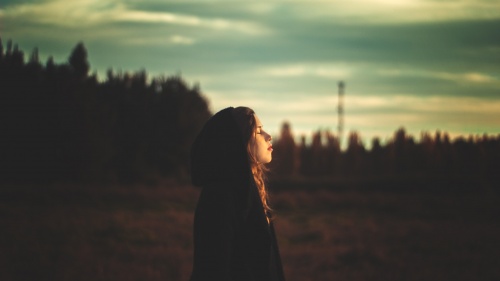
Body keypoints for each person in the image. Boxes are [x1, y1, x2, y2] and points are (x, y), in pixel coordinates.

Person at [189, 106, 286, 281]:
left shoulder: (252, 188)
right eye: (258, 131)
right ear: (239, 142)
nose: (268, 136)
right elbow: (213, 270)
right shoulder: (219, 196)